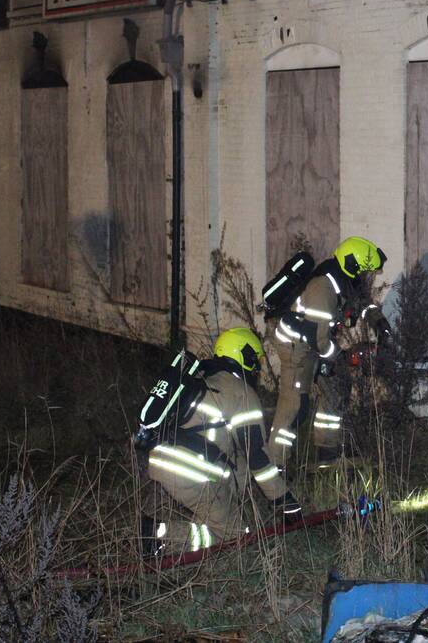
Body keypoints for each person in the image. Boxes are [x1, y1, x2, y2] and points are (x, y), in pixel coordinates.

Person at [137, 328, 300, 555]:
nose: (257, 368)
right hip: (190, 471)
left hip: (165, 460)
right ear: (244, 357)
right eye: (255, 360)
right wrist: (284, 499)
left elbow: (234, 452)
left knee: (220, 517)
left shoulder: (203, 377)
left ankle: (179, 527)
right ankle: (157, 535)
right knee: (236, 536)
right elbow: (257, 457)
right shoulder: (242, 393)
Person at [269, 236, 391, 470]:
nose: (365, 276)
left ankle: (328, 450)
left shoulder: (345, 280)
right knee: (294, 406)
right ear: (353, 265)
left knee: (336, 386)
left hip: (315, 343)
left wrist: (379, 322)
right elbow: (320, 340)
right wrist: (343, 357)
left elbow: (362, 303)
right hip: (296, 348)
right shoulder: (322, 288)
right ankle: (275, 465)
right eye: (364, 271)